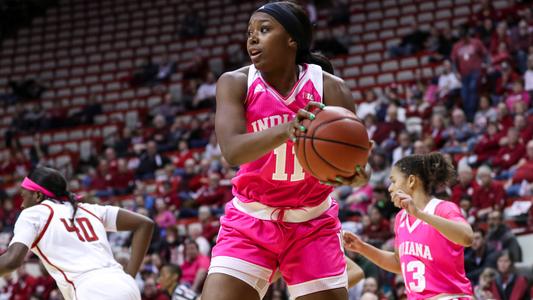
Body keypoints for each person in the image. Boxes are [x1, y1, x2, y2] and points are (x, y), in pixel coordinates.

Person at [201, 2, 370, 300]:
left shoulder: (331, 88)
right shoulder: (235, 83)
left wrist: (352, 176)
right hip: (251, 221)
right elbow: (231, 150)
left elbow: (356, 166)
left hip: (313, 224)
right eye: (250, 32)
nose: (252, 38)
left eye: (264, 30)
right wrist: (287, 129)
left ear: (292, 39)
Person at [0, 167, 154, 300]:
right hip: (125, 286)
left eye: (23, 196)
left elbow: (11, 261)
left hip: (92, 291)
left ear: (38, 196)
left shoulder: (33, 213)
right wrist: (130, 276)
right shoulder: (90, 209)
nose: (21, 204)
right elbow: (144, 224)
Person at [344, 153, 474, 299]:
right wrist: (361, 247)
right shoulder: (401, 218)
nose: (390, 188)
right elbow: (399, 263)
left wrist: (419, 214)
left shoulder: (442, 208)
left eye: (394, 181)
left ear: (411, 181)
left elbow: (467, 237)